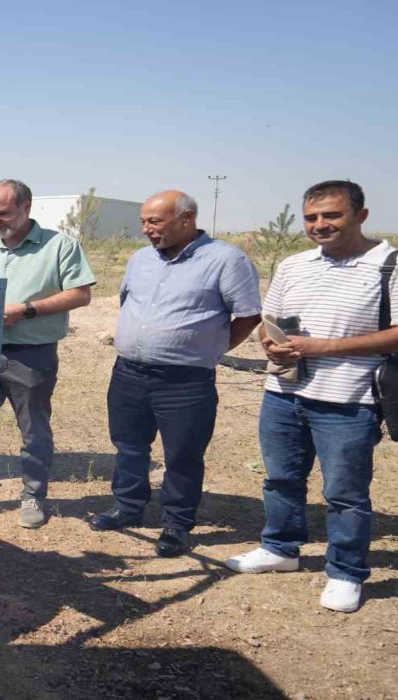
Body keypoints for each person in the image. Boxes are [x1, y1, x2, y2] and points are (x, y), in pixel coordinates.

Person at [227, 181, 398, 613]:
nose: (320, 225)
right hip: (283, 391)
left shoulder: (397, 264)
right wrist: (270, 342)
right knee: (281, 478)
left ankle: (346, 572)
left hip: (350, 400)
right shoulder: (294, 265)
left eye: (332, 215)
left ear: (361, 215)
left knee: (344, 492)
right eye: (311, 217)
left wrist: (319, 347)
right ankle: (281, 549)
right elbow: (269, 322)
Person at [90, 190, 261, 557]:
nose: (147, 230)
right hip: (129, 373)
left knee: (182, 454)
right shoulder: (139, 260)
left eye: (155, 221)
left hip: (185, 382)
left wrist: (211, 348)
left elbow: (247, 315)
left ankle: (177, 523)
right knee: (129, 445)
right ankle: (128, 506)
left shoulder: (226, 260)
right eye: (143, 222)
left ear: (186, 219)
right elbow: (128, 303)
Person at [0, 180, 95, 526]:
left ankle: (32, 497)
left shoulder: (60, 246)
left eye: (1, 213)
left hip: (31, 355)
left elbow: (79, 294)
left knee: (33, 430)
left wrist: (27, 310)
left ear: (27, 207)